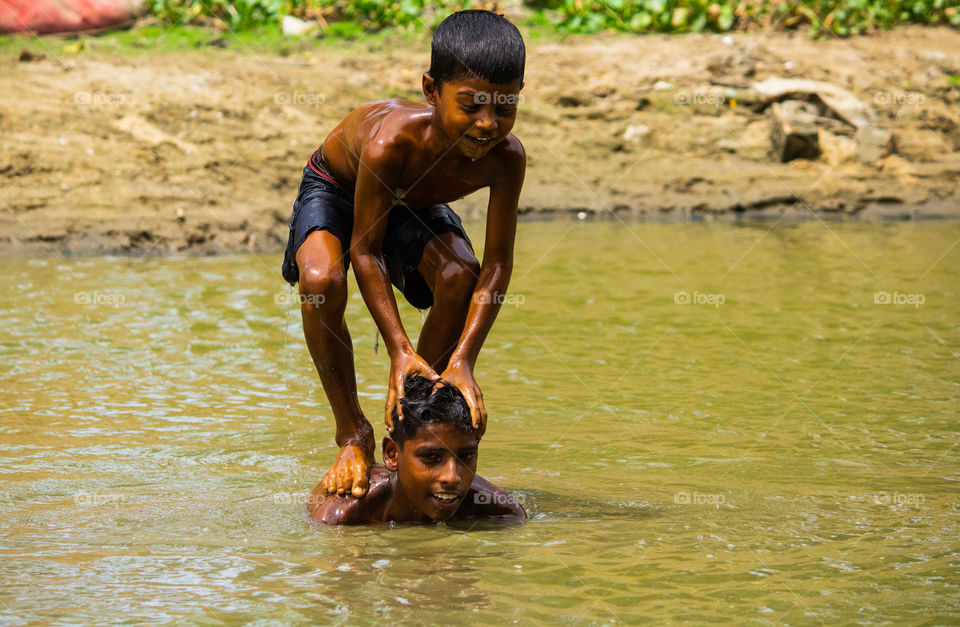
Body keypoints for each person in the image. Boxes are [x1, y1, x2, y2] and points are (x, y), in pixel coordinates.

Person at [281, 10, 527, 498]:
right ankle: (353, 434)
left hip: (411, 200)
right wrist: (398, 348)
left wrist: (464, 361)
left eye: (504, 108)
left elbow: (497, 264)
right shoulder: (391, 141)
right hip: (339, 186)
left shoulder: (507, 159)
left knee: (460, 275)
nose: (487, 124)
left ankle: (408, 429)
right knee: (320, 279)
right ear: (431, 90)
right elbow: (365, 250)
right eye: (471, 105)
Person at [307, 376, 526, 524]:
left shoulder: (500, 510)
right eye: (431, 457)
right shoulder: (343, 516)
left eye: (466, 457)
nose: (452, 477)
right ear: (392, 454)